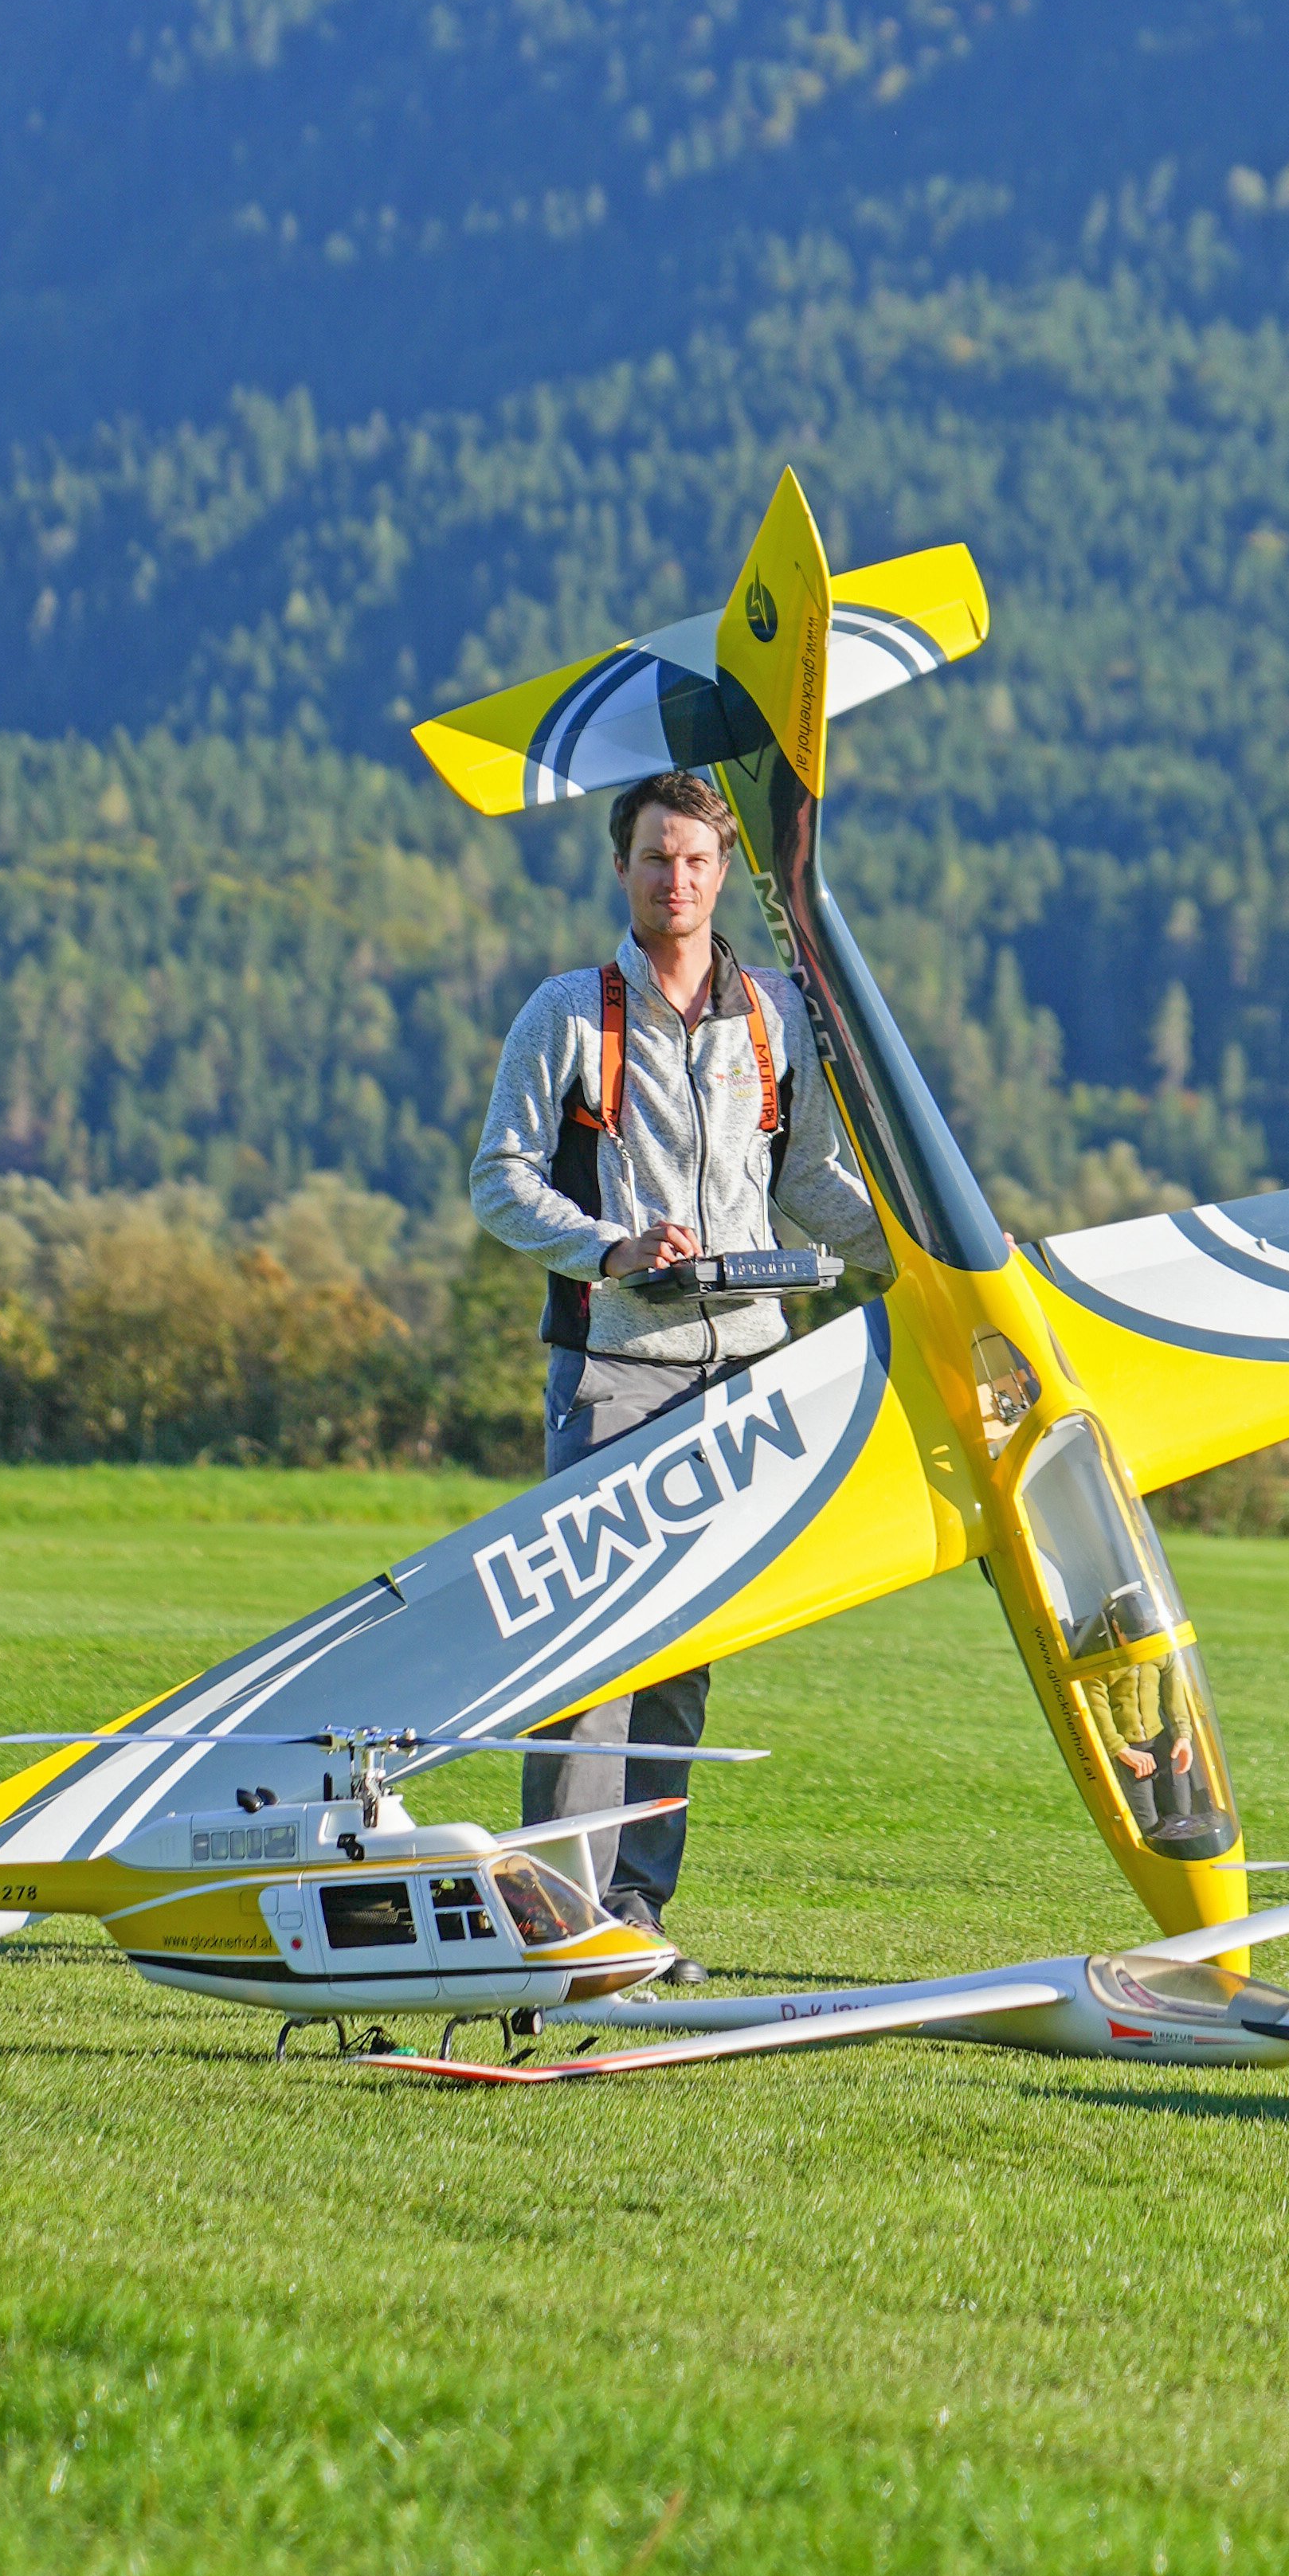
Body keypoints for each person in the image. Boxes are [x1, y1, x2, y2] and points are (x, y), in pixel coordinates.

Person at [470, 763, 883, 1945]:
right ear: (623, 868)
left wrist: (931, 1255)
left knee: (684, 1656)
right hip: (615, 1368)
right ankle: (559, 1923)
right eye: (657, 858)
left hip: (749, 1373)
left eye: (698, 860)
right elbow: (498, 1178)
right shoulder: (570, 1012)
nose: (678, 879)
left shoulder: (774, 1014)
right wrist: (608, 1247)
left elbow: (809, 1181)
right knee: (587, 1654)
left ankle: (638, 1912)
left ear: (723, 873)